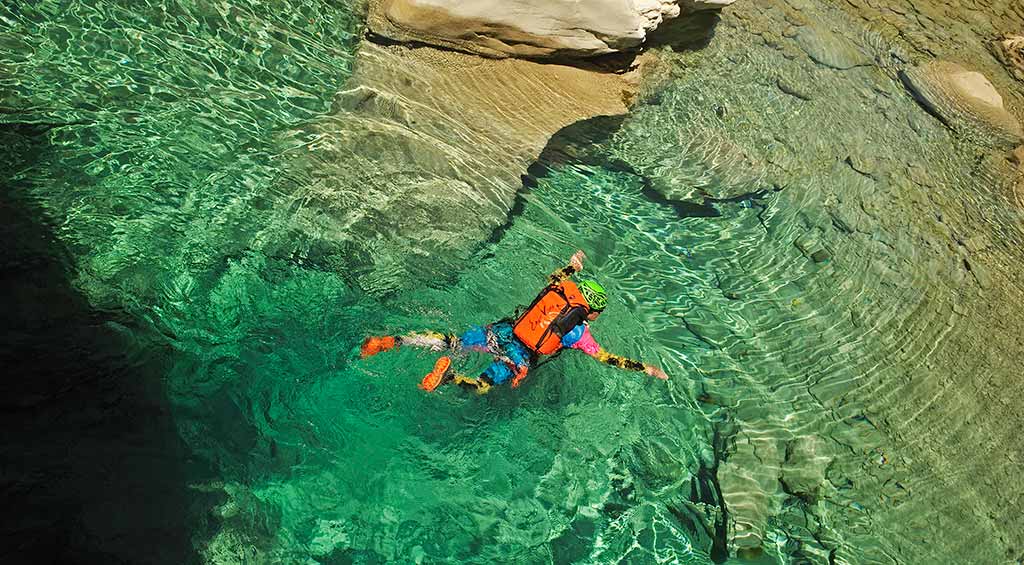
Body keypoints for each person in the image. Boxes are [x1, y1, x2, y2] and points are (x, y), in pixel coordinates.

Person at [360, 250, 669, 394]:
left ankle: (390, 342)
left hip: (503, 330)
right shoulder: (578, 334)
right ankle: (451, 379)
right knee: (483, 384)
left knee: (451, 341)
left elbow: (555, 276)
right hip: (520, 358)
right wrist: (647, 369)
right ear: (592, 312)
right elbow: (608, 359)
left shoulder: (557, 291)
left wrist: (572, 266)